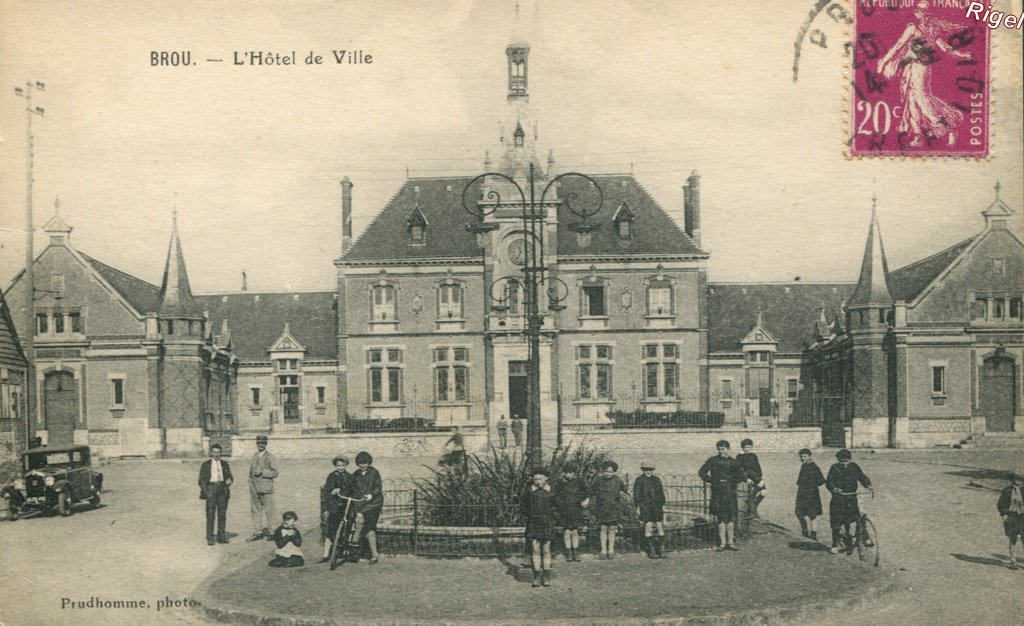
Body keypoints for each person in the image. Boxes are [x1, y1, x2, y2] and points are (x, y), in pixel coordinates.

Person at [876, 1, 972, 148]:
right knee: (912, 100)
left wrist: (883, 62)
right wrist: (961, 55)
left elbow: (897, 47)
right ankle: (918, 136)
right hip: (915, 68)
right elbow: (946, 48)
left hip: (919, 68)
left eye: (919, 11)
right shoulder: (929, 29)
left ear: (921, 13)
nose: (917, 13)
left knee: (921, 98)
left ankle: (947, 126)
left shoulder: (915, 29)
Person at [698, 440, 744, 551]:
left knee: (731, 518)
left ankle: (731, 543)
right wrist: (712, 481)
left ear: (728, 449)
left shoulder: (733, 462)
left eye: (723, 449)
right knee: (721, 518)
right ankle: (722, 543)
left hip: (730, 493)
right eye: (719, 449)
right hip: (718, 492)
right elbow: (702, 472)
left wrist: (732, 482)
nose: (721, 451)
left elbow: (740, 475)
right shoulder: (713, 460)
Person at [825, 448, 872, 554]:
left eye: (847, 461)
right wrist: (834, 489)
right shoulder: (834, 468)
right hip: (839, 498)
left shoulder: (854, 467)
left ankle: (863, 537)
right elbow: (829, 482)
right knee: (836, 523)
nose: (845, 464)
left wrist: (868, 485)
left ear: (850, 460)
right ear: (838, 460)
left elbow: (862, 477)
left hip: (851, 497)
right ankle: (834, 545)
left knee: (858, 517)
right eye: (842, 461)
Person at [522, 467, 557, 587]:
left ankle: (546, 575)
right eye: (535, 479)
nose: (537, 481)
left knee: (546, 550)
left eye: (540, 479)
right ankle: (536, 575)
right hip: (533, 523)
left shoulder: (552, 491)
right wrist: (530, 516)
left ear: (546, 479)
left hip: (547, 523)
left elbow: (558, 506)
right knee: (535, 550)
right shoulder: (529, 491)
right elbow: (523, 506)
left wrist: (552, 517)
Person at [349, 451, 383, 564]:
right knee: (368, 528)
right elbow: (350, 486)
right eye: (360, 463)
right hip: (361, 503)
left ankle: (356, 538)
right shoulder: (356, 474)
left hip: (374, 503)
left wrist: (371, 495)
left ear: (369, 463)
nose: (363, 465)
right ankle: (374, 555)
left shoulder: (374, 472)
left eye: (365, 463)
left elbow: (378, 487)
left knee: (364, 521)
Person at [590, 460, 628, 559]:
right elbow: (592, 491)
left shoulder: (617, 480)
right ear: (602, 471)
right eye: (605, 471)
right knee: (603, 529)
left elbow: (624, 489)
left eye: (610, 472)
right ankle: (603, 550)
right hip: (602, 508)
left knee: (612, 529)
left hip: (614, 508)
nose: (607, 474)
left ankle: (611, 550)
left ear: (614, 472)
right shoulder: (599, 480)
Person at [319, 454, 353, 563]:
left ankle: (342, 550)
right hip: (334, 506)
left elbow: (350, 489)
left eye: (343, 465)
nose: (340, 467)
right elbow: (327, 490)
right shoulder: (332, 476)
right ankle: (326, 554)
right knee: (329, 529)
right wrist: (331, 492)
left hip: (345, 506)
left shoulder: (349, 476)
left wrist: (340, 490)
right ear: (335, 465)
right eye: (338, 465)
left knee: (344, 528)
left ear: (346, 465)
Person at [198, 443, 233, 545]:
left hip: (223, 490)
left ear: (221, 453)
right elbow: (201, 480)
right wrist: (206, 492)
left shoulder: (225, 464)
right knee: (210, 515)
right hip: (211, 489)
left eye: (218, 452)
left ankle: (221, 537)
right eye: (214, 452)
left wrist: (229, 481)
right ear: (211, 453)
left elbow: (230, 477)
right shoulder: (206, 464)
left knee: (222, 515)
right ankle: (210, 538)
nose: (216, 454)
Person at [247, 435, 279, 542]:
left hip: (266, 488)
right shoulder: (254, 456)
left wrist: (263, 472)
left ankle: (272, 531)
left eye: (263, 443)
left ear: (266, 444)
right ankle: (257, 532)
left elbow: (275, 472)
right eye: (259, 443)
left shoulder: (270, 457)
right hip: (254, 488)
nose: (260, 445)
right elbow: (250, 473)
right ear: (256, 444)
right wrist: (251, 485)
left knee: (269, 510)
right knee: (255, 511)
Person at [633, 460, 667, 559]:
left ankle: (661, 549)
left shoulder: (656, 480)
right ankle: (651, 550)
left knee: (659, 526)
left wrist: (662, 504)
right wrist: (638, 506)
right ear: (642, 470)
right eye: (646, 469)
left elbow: (661, 493)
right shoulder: (639, 480)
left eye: (650, 469)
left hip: (656, 506)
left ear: (653, 470)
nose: (648, 471)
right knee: (648, 527)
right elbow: (636, 494)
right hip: (646, 507)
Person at [554, 463, 587, 562]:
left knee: (575, 531)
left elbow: (586, 493)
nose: (569, 475)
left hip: (576, 510)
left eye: (571, 473)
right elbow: (556, 497)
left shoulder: (579, 483)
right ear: (564, 473)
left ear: (574, 474)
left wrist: (584, 501)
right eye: (567, 473)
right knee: (567, 531)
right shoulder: (560, 484)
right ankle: (568, 552)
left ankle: (575, 551)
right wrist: (560, 506)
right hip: (564, 511)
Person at [794, 448, 826, 541]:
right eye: (801, 456)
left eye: (805, 456)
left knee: (813, 514)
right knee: (799, 513)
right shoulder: (803, 466)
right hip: (801, 493)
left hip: (812, 494)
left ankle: (813, 533)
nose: (803, 458)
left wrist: (811, 485)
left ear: (810, 457)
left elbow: (822, 480)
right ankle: (804, 530)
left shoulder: (814, 467)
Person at [996, 468, 1024, 570]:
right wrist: (1004, 514)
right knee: (1013, 538)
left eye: (1021, 479)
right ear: (1013, 479)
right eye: (1016, 479)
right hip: (1012, 516)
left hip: (1023, 516)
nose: (1018, 481)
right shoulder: (1007, 490)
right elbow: (1001, 503)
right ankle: (1013, 561)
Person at [736, 438, 766, 514]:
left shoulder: (753, 455)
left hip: (755, 476)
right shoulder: (740, 456)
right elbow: (739, 469)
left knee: (763, 492)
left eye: (749, 447)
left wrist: (759, 476)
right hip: (746, 475)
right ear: (742, 448)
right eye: (745, 447)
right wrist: (746, 479)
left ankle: (752, 506)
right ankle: (751, 507)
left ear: (751, 447)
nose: (747, 449)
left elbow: (758, 467)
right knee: (761, 483)